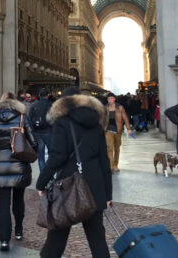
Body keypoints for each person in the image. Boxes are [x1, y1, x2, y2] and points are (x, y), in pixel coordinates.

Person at [36, 87, 112, 258]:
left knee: (56, 239)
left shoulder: (62, 123)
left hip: (69, 185)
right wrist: (108, 194)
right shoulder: (96, 124)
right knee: (98, 240)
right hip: (94, 185)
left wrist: (41, 182)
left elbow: (57, 157)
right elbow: (104, 162)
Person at [0, 93, 37, 252]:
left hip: (0, 166)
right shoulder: (22, 118)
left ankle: (4, 241)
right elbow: (33, 142)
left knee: (3, 205)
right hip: (20, 164)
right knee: (18, 200)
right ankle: (19, 230)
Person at [104, 93, 133, 174]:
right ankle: (111, 166)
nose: (110, 100)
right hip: (108, 130)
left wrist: (128, 129)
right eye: (109, 98)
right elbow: (101, 119)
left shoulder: (120, 108)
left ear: (114, 99)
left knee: (117, 149)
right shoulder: (105, 108)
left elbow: (125, 118)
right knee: (109, 148)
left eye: (111, 98)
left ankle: (116, 165)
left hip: (118, 131)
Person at [29, 88, 53, 172]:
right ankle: (49, 174)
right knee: (52, 153)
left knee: (40, 155)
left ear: (39, 95)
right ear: (48, 95)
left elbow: (30, 119)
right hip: (49, 131)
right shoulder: (51, 105)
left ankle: (43, 174)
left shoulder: (33, 105)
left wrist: (33, 131)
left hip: (37, 132)